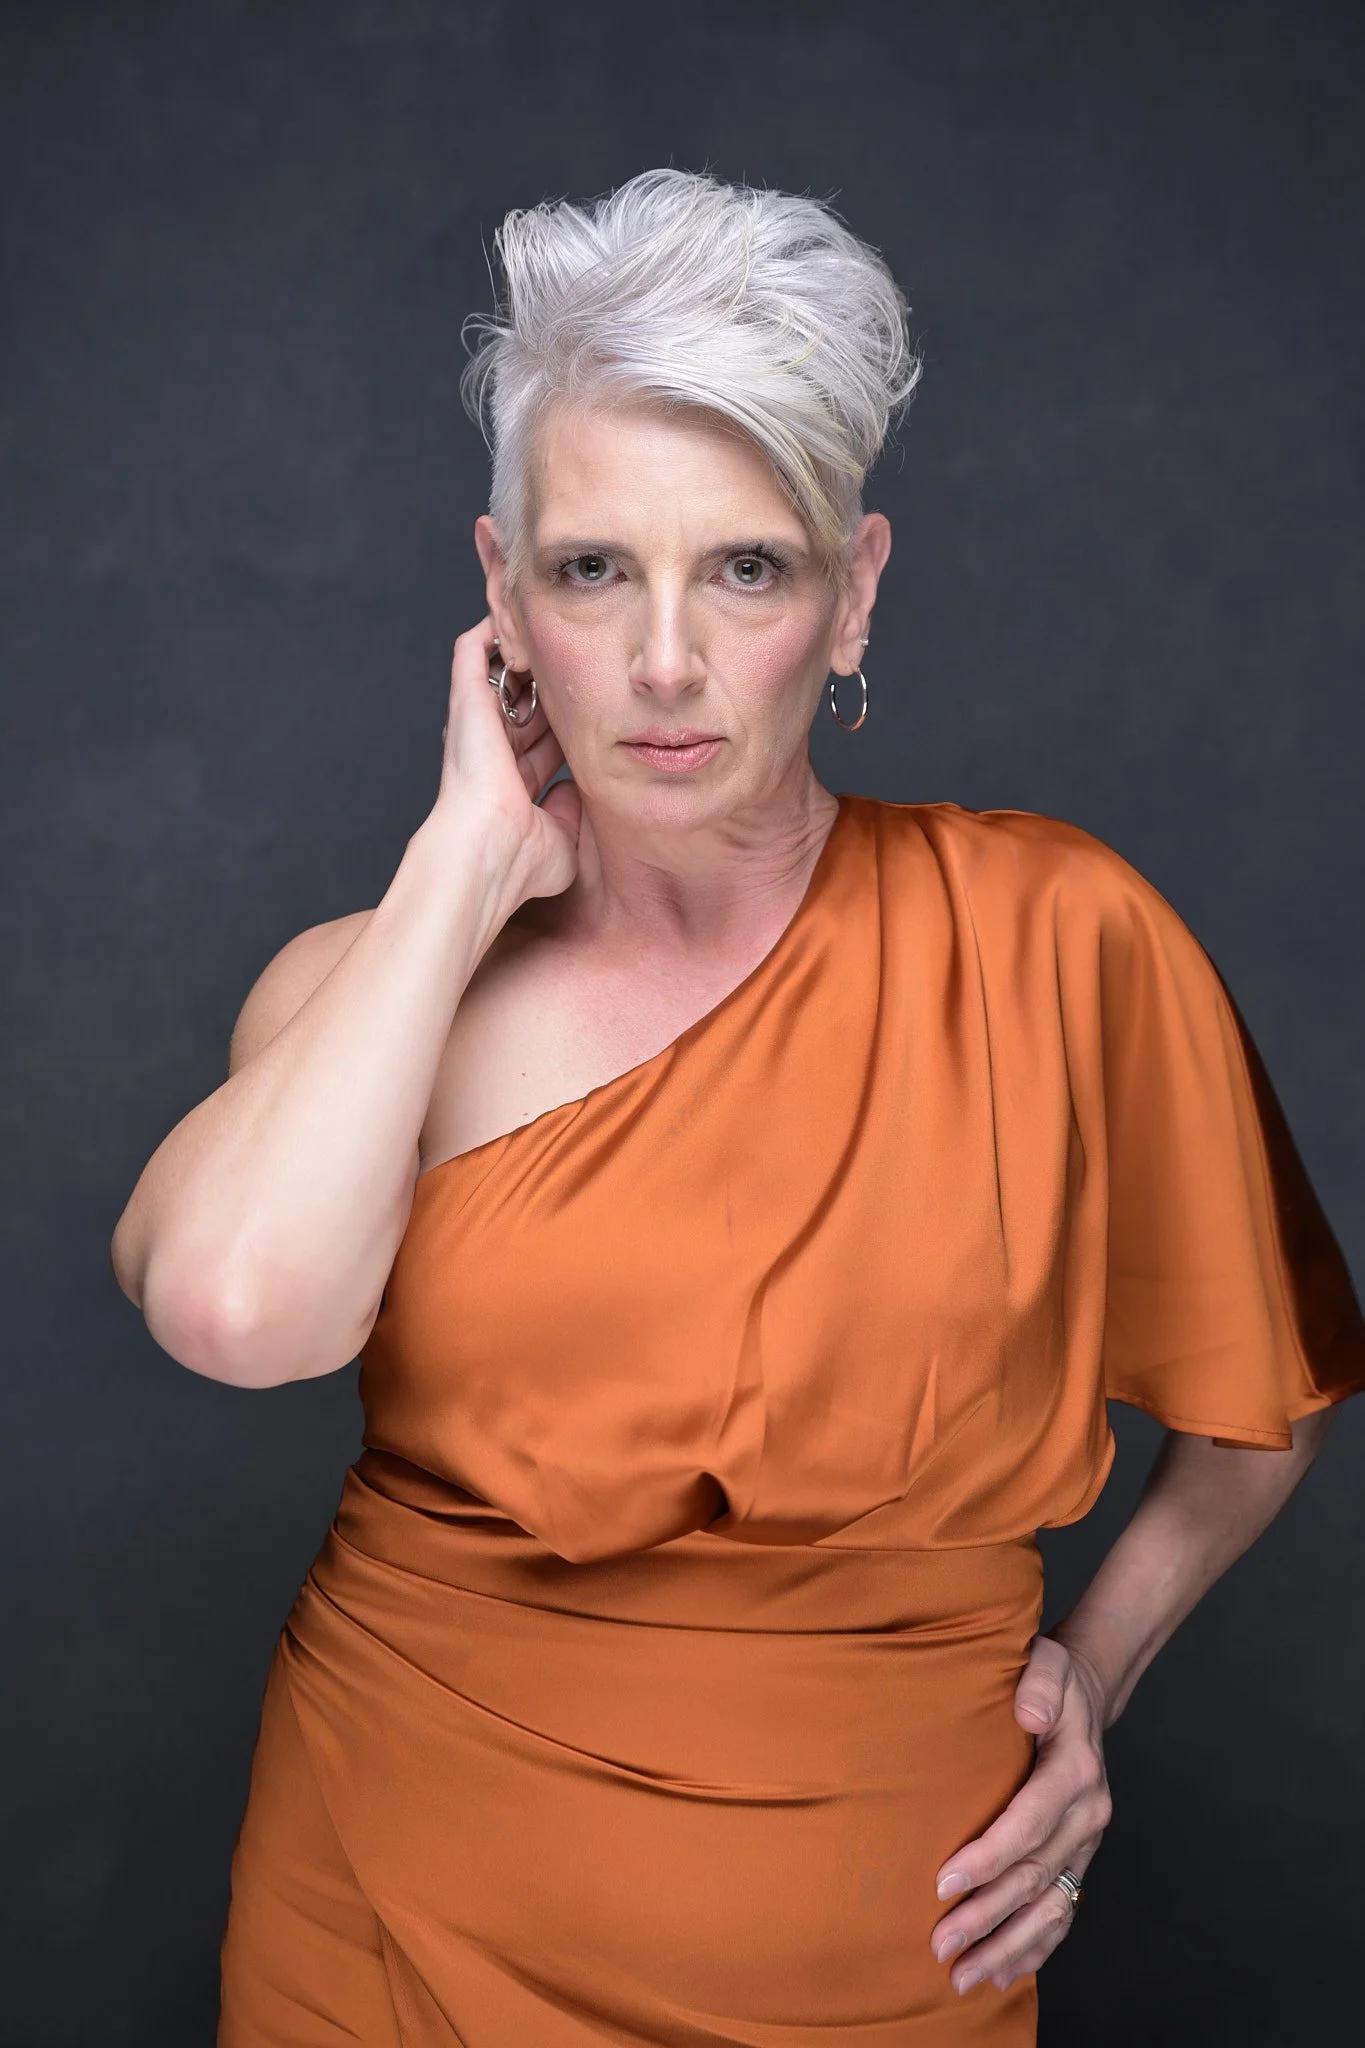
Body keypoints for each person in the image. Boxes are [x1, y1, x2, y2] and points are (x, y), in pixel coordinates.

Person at [111, 169, 1365, 2046]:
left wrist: (1094, 1675)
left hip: (890, 1948)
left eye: (750, 567)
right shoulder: (376, 986)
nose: (669, 662)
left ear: (853, 593)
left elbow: (1259, 1416)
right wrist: (462, 866)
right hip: (388, 1908)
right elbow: (232, 1314)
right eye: (593, 569)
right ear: (499, 595)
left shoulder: (1059, 938)